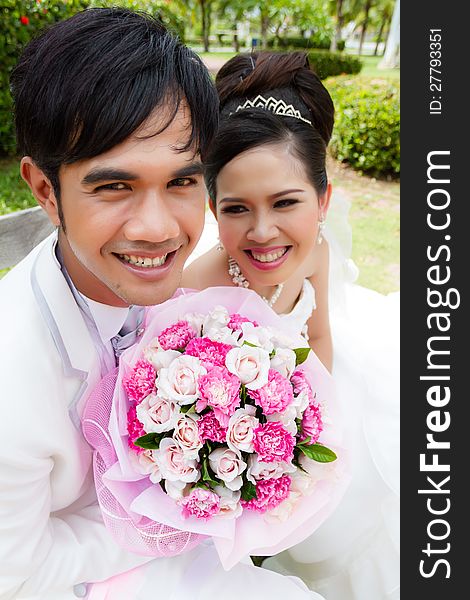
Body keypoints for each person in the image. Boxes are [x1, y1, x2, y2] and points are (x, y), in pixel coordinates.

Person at [0, 13, 324, 600]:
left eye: (182, 182)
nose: (158, 229)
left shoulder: (187, 289)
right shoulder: (11, 373)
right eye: (114, 186)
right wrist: (164, 516)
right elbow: (14, 571)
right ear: (45, 189)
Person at [183, 51, 400, 600]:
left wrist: (310, 432)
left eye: (285, 203)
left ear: (323, 200)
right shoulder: (198, 289)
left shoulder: (314, 252)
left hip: (310, 409)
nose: (262, 232)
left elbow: (320, 334)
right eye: (236, 209)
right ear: (212, 207)